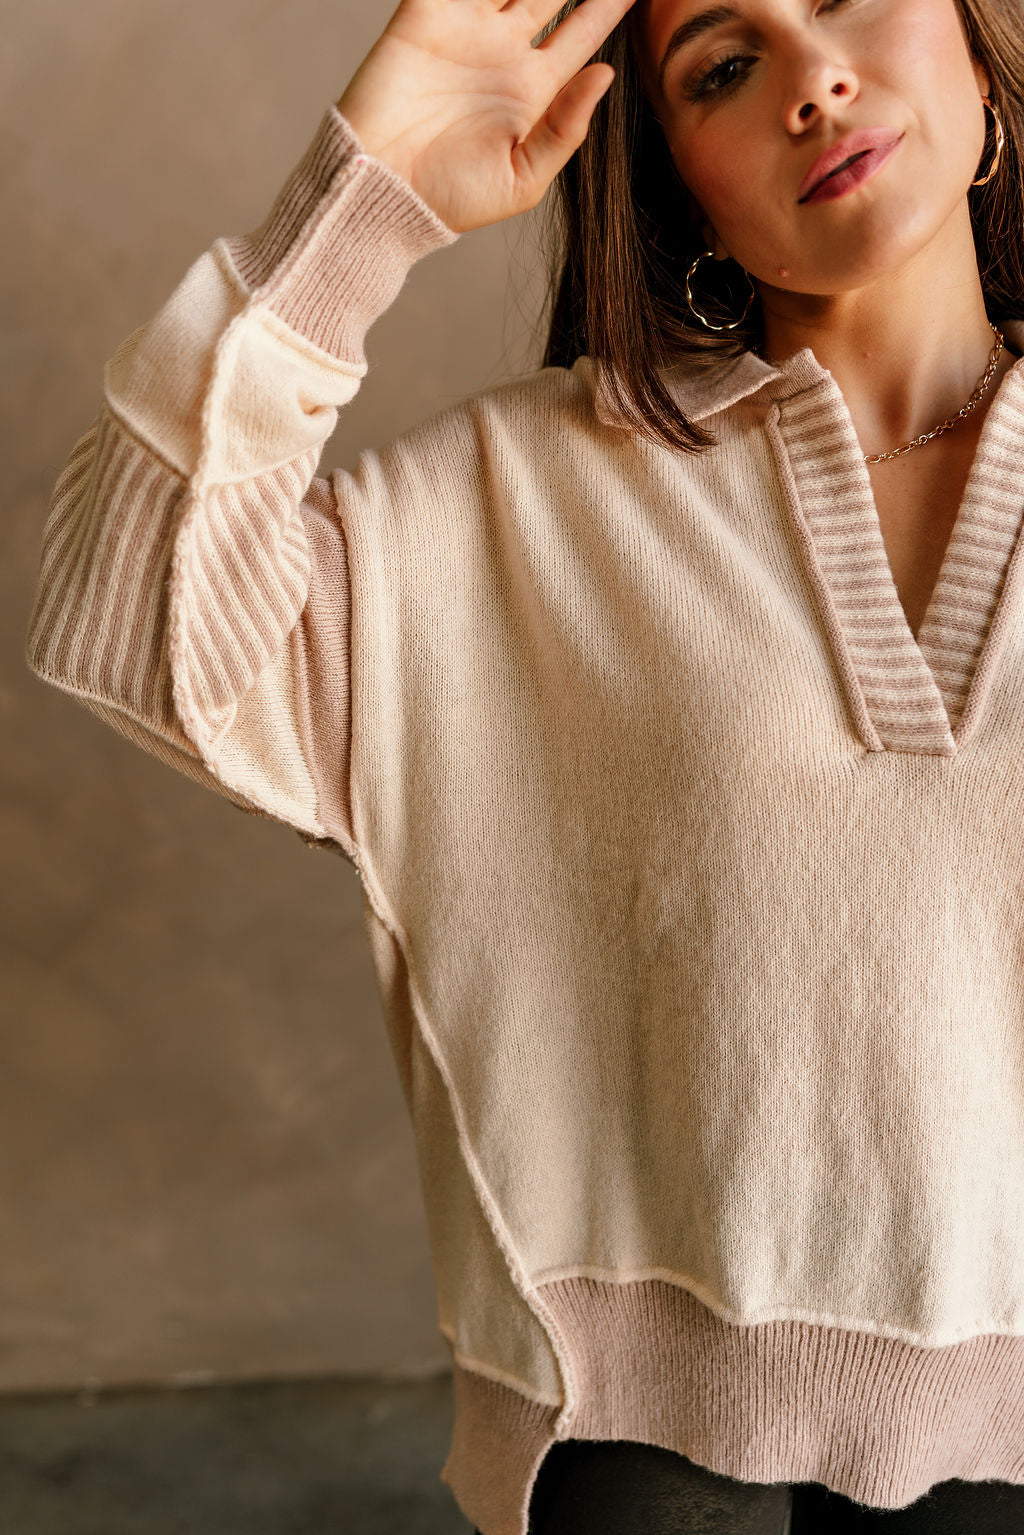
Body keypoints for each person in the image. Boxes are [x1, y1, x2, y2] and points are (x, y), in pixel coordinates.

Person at [24, 0, 1024, 1529]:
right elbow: (126, 614)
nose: (814, 82)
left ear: (980, 55)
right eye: (726, 67)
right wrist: (365, 202)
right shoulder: (531, 496)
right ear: (677, 177)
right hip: (650, 1444)